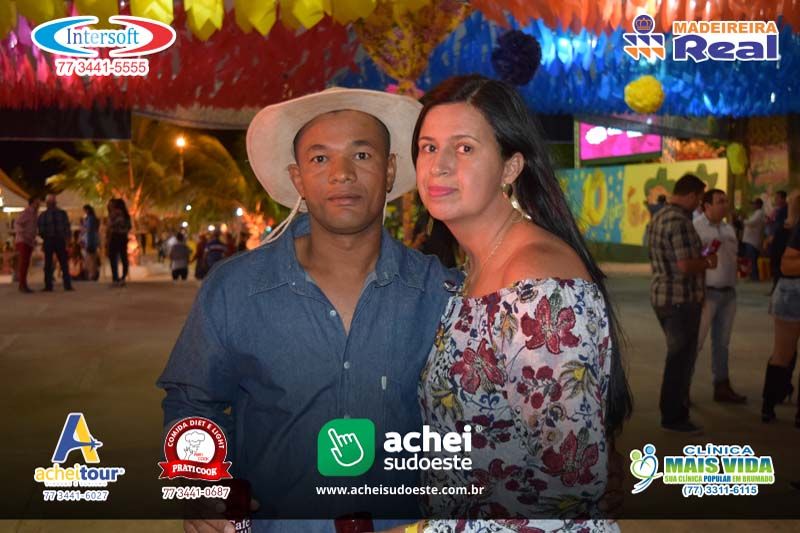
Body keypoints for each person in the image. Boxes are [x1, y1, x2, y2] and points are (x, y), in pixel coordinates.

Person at [158, 88, 454, 533]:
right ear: (297, 179)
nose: (342, 174)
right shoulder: (235, 289)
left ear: (390, 170)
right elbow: (192, 399)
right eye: (320, 159)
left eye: (361, 155)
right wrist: (201, 484)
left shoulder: (440, 292)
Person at [405, 75, 631, 531]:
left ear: (510, 168)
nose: (439, 166)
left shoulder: (535, 281)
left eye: (464, 148)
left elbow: (570, 484)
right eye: (429, 147)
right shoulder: (473, 267)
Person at [647, 174, 716, 433]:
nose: (699, 204)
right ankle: (674, 416)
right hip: (680, 300)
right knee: (680, 360)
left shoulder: (659, 217)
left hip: (663, 296)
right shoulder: (680, 221)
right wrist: (707, 262)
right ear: (690, 195)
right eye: (699, 199)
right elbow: (685, 265)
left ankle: (674, 412)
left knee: (678, 357)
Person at [693, 189, 746, 403]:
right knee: (695, 343)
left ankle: (722, 386)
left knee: (722, 344)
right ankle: (681, 391)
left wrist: (739, 265)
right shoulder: (696, 227)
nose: (725, 205)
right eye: (720, 201)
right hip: (706, 293)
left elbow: (731, 257)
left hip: (728, 293)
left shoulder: (728, 228)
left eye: (726, 201)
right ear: (707, 206)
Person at [762, 190, 800, 425]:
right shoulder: (790, 228)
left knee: (782, 354)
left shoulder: (787, 226)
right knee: (783, 354)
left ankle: (770, 406)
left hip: (788, 291)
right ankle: (769, 406)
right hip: (792, 292)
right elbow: (786, 265)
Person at [37, 194, 73, 292]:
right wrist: (67, 239)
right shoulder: (61, 214)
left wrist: (45, 237)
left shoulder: (43, 215)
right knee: (62, 263)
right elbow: (67, 228)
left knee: (49, 263)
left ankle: (49, 285)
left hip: (50, 240)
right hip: (58, 240)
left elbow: (41, 230)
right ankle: (67, 285)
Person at [14, 197, 40, 293]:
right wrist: (23, 234)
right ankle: (22, 285)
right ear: (32, 203)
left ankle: (23, 284)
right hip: (23, 241)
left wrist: (33, 237)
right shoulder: (27, 212)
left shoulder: (34, 214)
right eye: (37, 202)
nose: (39, 204)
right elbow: (17, 223)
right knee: (24, 263)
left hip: (29, 241)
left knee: (26, 263)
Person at [107, 198, 132, 287]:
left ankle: (115, 278)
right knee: (123, 256)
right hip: (123, 237)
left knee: (113, 257)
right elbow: (129, 226)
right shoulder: (126, 215)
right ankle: (123, 277)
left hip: (115, 236)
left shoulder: (114, 214)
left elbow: (110, 225)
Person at [767, 190, 789, 289]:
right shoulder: (778, 210)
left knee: (778, 265)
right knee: (775, 264)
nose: (775, 200)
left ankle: (777, 287)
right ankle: (775, 287)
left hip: (780, 241)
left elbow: (780, 226)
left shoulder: (785, 210)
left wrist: (773, 235)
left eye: (777, 198)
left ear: (783, 199)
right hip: (776, 240)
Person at [742, 198, 765, 281]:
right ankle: (752, 275)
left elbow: (751, 223)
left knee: (752, 259)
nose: (753, 206)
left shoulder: (759, 213)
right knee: (751, 259)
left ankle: (754, 276)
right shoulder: (756, 213)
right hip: (751, 240)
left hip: (752, 240)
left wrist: (743, 220)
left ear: (759, 204)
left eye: (754, 204)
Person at [81, 205, 100, 281]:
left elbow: (88, 230)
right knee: (92, 258)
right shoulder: (93, 219)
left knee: (90, 258)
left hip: (90, 241)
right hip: (92, 240)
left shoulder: (90, 219)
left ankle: (92, 274)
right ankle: (92, 274)